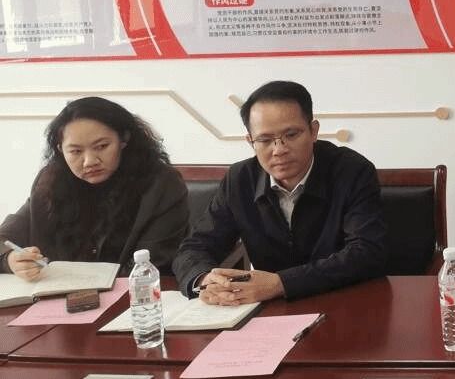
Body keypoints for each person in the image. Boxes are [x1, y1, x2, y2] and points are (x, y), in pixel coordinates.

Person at [173, 80, 387, 304]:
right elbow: (195, 247)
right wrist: (206, 280)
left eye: (291, 135)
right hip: (271, 311)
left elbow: (367, 252)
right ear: (250, 141)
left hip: (344, 303)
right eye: (265, 140)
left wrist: (281, 284)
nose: (279, 149)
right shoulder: (240, 179)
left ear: (313, 131)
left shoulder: (352, 171)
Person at [0, 97, 188, 278]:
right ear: (60, 149)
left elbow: (153, 264)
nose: (89, 161)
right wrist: (11, 260)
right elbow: (5, 238)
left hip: (131, 295)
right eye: (76, 151)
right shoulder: (50, 181)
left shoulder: (161, 184)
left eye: (102, 146)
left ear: (124, 139)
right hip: (56, 295)